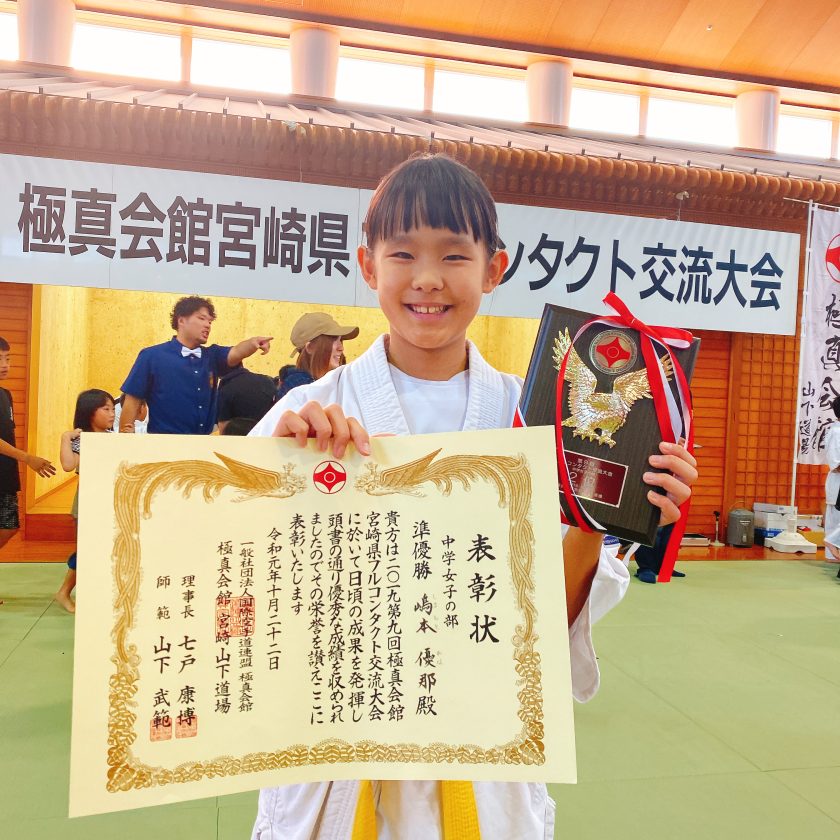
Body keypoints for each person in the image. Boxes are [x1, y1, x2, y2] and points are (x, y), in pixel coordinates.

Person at [248, 153, 697, 840]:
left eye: (454, 255)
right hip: (335, 766)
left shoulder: (540, 423)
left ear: (495, 267)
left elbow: (548, 626)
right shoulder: (308, 413)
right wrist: (279, 479)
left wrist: (599, 517)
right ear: (368, 266)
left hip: (485, 772)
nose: (427, 279)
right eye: (403, 254)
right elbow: (239, 588)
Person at [119, 295, 273, 434]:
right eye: (201, 318)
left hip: (202, 444)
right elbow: (133, 398)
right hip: (163, 442)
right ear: (181, 320)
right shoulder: (151, 356)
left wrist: (254, 343)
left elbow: (236, 352)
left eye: (210, 321)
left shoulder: (212, 355)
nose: (207, 325)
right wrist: (126, 434)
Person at [56, 388, 115, 613]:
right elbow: (69, 464)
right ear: (90, 412)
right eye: (106, 409)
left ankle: (90, 593)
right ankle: (64, 592)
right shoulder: (81, 439)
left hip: (110, 501)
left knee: (104, 549)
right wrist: (64, 438)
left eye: (112, 409)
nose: (112, 414)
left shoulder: (112, 438)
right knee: (87, 549)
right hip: (89, 502)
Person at [0, 336, 56, 568]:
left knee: (9, 526)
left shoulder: (6, 395)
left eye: (7, 358)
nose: (5, 364)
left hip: (6, 475)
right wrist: (27, 458)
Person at [276, 312, 359, 399]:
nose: (341, 348)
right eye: (333, 340)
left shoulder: (330, 382)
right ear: (310, 347)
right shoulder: (299, 388)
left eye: (340, 340)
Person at [217, 365, 277, 434]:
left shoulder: (225, 391)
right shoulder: (266, 380)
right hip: (270, 433)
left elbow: (223, 428)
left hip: (244, 438)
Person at [824, 396, 840, 562]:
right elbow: (836, 464)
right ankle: (832, 551)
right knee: (836, 520)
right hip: (838, 483)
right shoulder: (837, 432)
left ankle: (833, 553)